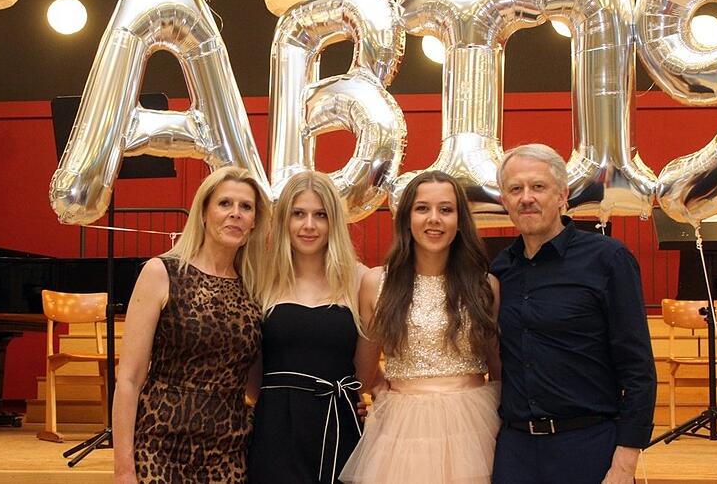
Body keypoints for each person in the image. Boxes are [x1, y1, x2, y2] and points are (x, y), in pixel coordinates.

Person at [489, 144, 657, 484]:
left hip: (587, 446)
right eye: (516, 189)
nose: (526, 198)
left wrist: (626, 460)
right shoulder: (500, 269)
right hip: (515, 451)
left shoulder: (608, 259)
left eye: (538, 187)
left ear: (562, 195)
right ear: (505, 201)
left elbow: (638, 368)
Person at [340, 170, 502, 484]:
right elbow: (363, 372)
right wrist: (379, 391)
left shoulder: (484, 286)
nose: (434, 219)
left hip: (473, 428)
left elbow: (499, 369)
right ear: (406, 218)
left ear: (460, 220)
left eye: (446, 209)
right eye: (422, 208)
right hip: (403, 429)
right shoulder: (377, 284)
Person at [113, 166, 271, 483]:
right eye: (225, 203)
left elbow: (257, 384)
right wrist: (123, 469)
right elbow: (129, 379)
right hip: (160, 447)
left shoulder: (256, 290)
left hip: (228, 452)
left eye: (246, 207)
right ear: (203, 213)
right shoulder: (161, 273)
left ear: (254, 222)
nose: (236, 213)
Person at [247, 171, 368, 484]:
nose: (309, 225)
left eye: (320, 215)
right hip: (276, 427)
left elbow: (367, 371)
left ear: (334, 222)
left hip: (340, 424)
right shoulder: (260, 280)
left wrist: (370, 401)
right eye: (298, 214)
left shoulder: (359, 280)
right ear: (284, 220)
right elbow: (252, 375)